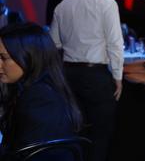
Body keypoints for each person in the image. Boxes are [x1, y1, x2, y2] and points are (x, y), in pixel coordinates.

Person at [49, 0, 124, 161]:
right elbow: (115, 43)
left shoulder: (62, 6)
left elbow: (54, 45)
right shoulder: (107, 3)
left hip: (67, 76)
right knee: (100, 134)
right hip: (96, 77)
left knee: (72, 131)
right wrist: (118, 77)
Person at [0, 22, 83, 160]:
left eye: (4, 58)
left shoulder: (39, 98)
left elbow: (23, 154)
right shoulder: (39, 87)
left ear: (30, 57)